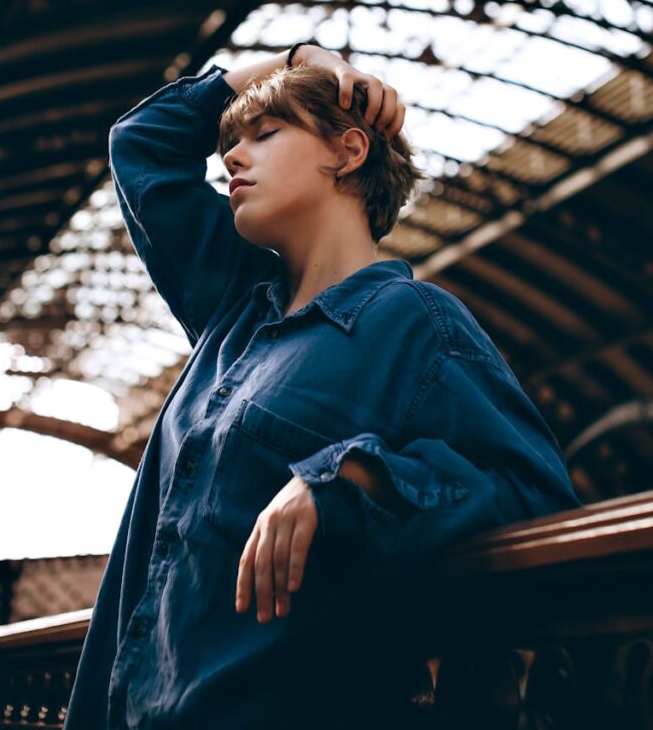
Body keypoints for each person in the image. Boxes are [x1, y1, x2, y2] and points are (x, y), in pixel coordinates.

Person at [62, 43, 582, 730]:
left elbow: (531, 493)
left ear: (348, 151)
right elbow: (141, 145)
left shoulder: (413, 324)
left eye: (265, 134)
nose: (231, 160)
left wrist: (351, 476)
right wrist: (295, 60)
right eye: (230, 143)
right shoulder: (234, 306)